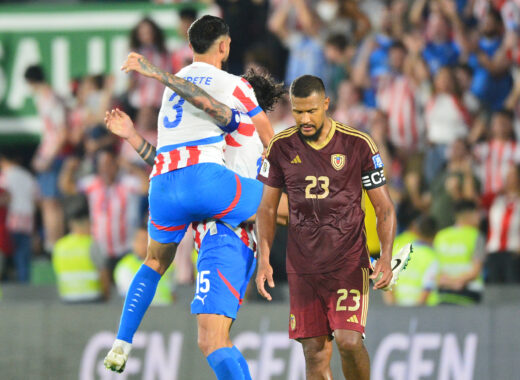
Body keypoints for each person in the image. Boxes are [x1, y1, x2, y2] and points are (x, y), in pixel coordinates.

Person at [103, 15, 274, 379]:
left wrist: (134, 136)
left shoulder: (171, 94)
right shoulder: (234, 100)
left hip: (168, 189)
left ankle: (122, 339)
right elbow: (226, 115)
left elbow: (171, 159)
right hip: (213, 205)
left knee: (154, 263)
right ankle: (353, 251)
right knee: (290, 205)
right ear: (224, 47)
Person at [255, 75, 399, 380]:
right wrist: (264, 258)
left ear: (326, 104)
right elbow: (266, 207)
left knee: (348, 341)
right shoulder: (281, 147)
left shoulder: (358, 144)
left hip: (347, 262)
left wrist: (386, 256)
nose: (305, 119)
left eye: (311, 111)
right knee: (314, 354)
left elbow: (384, 207)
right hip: (303, 266)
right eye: (298, 111)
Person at [24, 64, 66, 253]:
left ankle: (54, 244)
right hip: (49, 153)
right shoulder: (46, 97)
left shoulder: (50, 99)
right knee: (48, 201)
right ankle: (52, 241)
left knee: (51, 202)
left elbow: (61, 132)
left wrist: (48, 156)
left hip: (53, 155)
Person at [52, 196, 110, 302]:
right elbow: (103, 275)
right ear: (87, 224)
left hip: (67, 298)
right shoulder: (91, 244)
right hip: (92, 299)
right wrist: (106, 296)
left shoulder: (59, 246)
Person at [433, 200, 485, 305]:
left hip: (444, 292)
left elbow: (433, 268)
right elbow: (476, 270)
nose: (480, 217)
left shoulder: (440, 236)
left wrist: (449, 282)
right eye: (477, 213)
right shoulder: (476, 236)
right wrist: (457, 282)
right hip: (469, 292)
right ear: (468, 214)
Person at [0, 152, 38, 283]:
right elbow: (36, 198)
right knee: (23, 256)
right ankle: (24, 285)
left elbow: (4, 197)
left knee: (5, 254)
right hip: (27, 220)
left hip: (9, 220)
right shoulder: (27, 176)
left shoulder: (4, 176)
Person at [385, 216, 439, 307]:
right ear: (436, 234)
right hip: (424, 311)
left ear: (416, 231)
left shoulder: (400, 251)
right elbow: (427, 288)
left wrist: (393, 308)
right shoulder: (432, 257)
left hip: (399, 307)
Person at [114, 225, 174, 305]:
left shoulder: (167, 263)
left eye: (149, 240)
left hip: (168, 312)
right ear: (134, 243)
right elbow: (130, 296)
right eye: (142, 241)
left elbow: (173, 293)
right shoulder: (125, 266)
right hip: (143, 313)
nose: (146, 245)